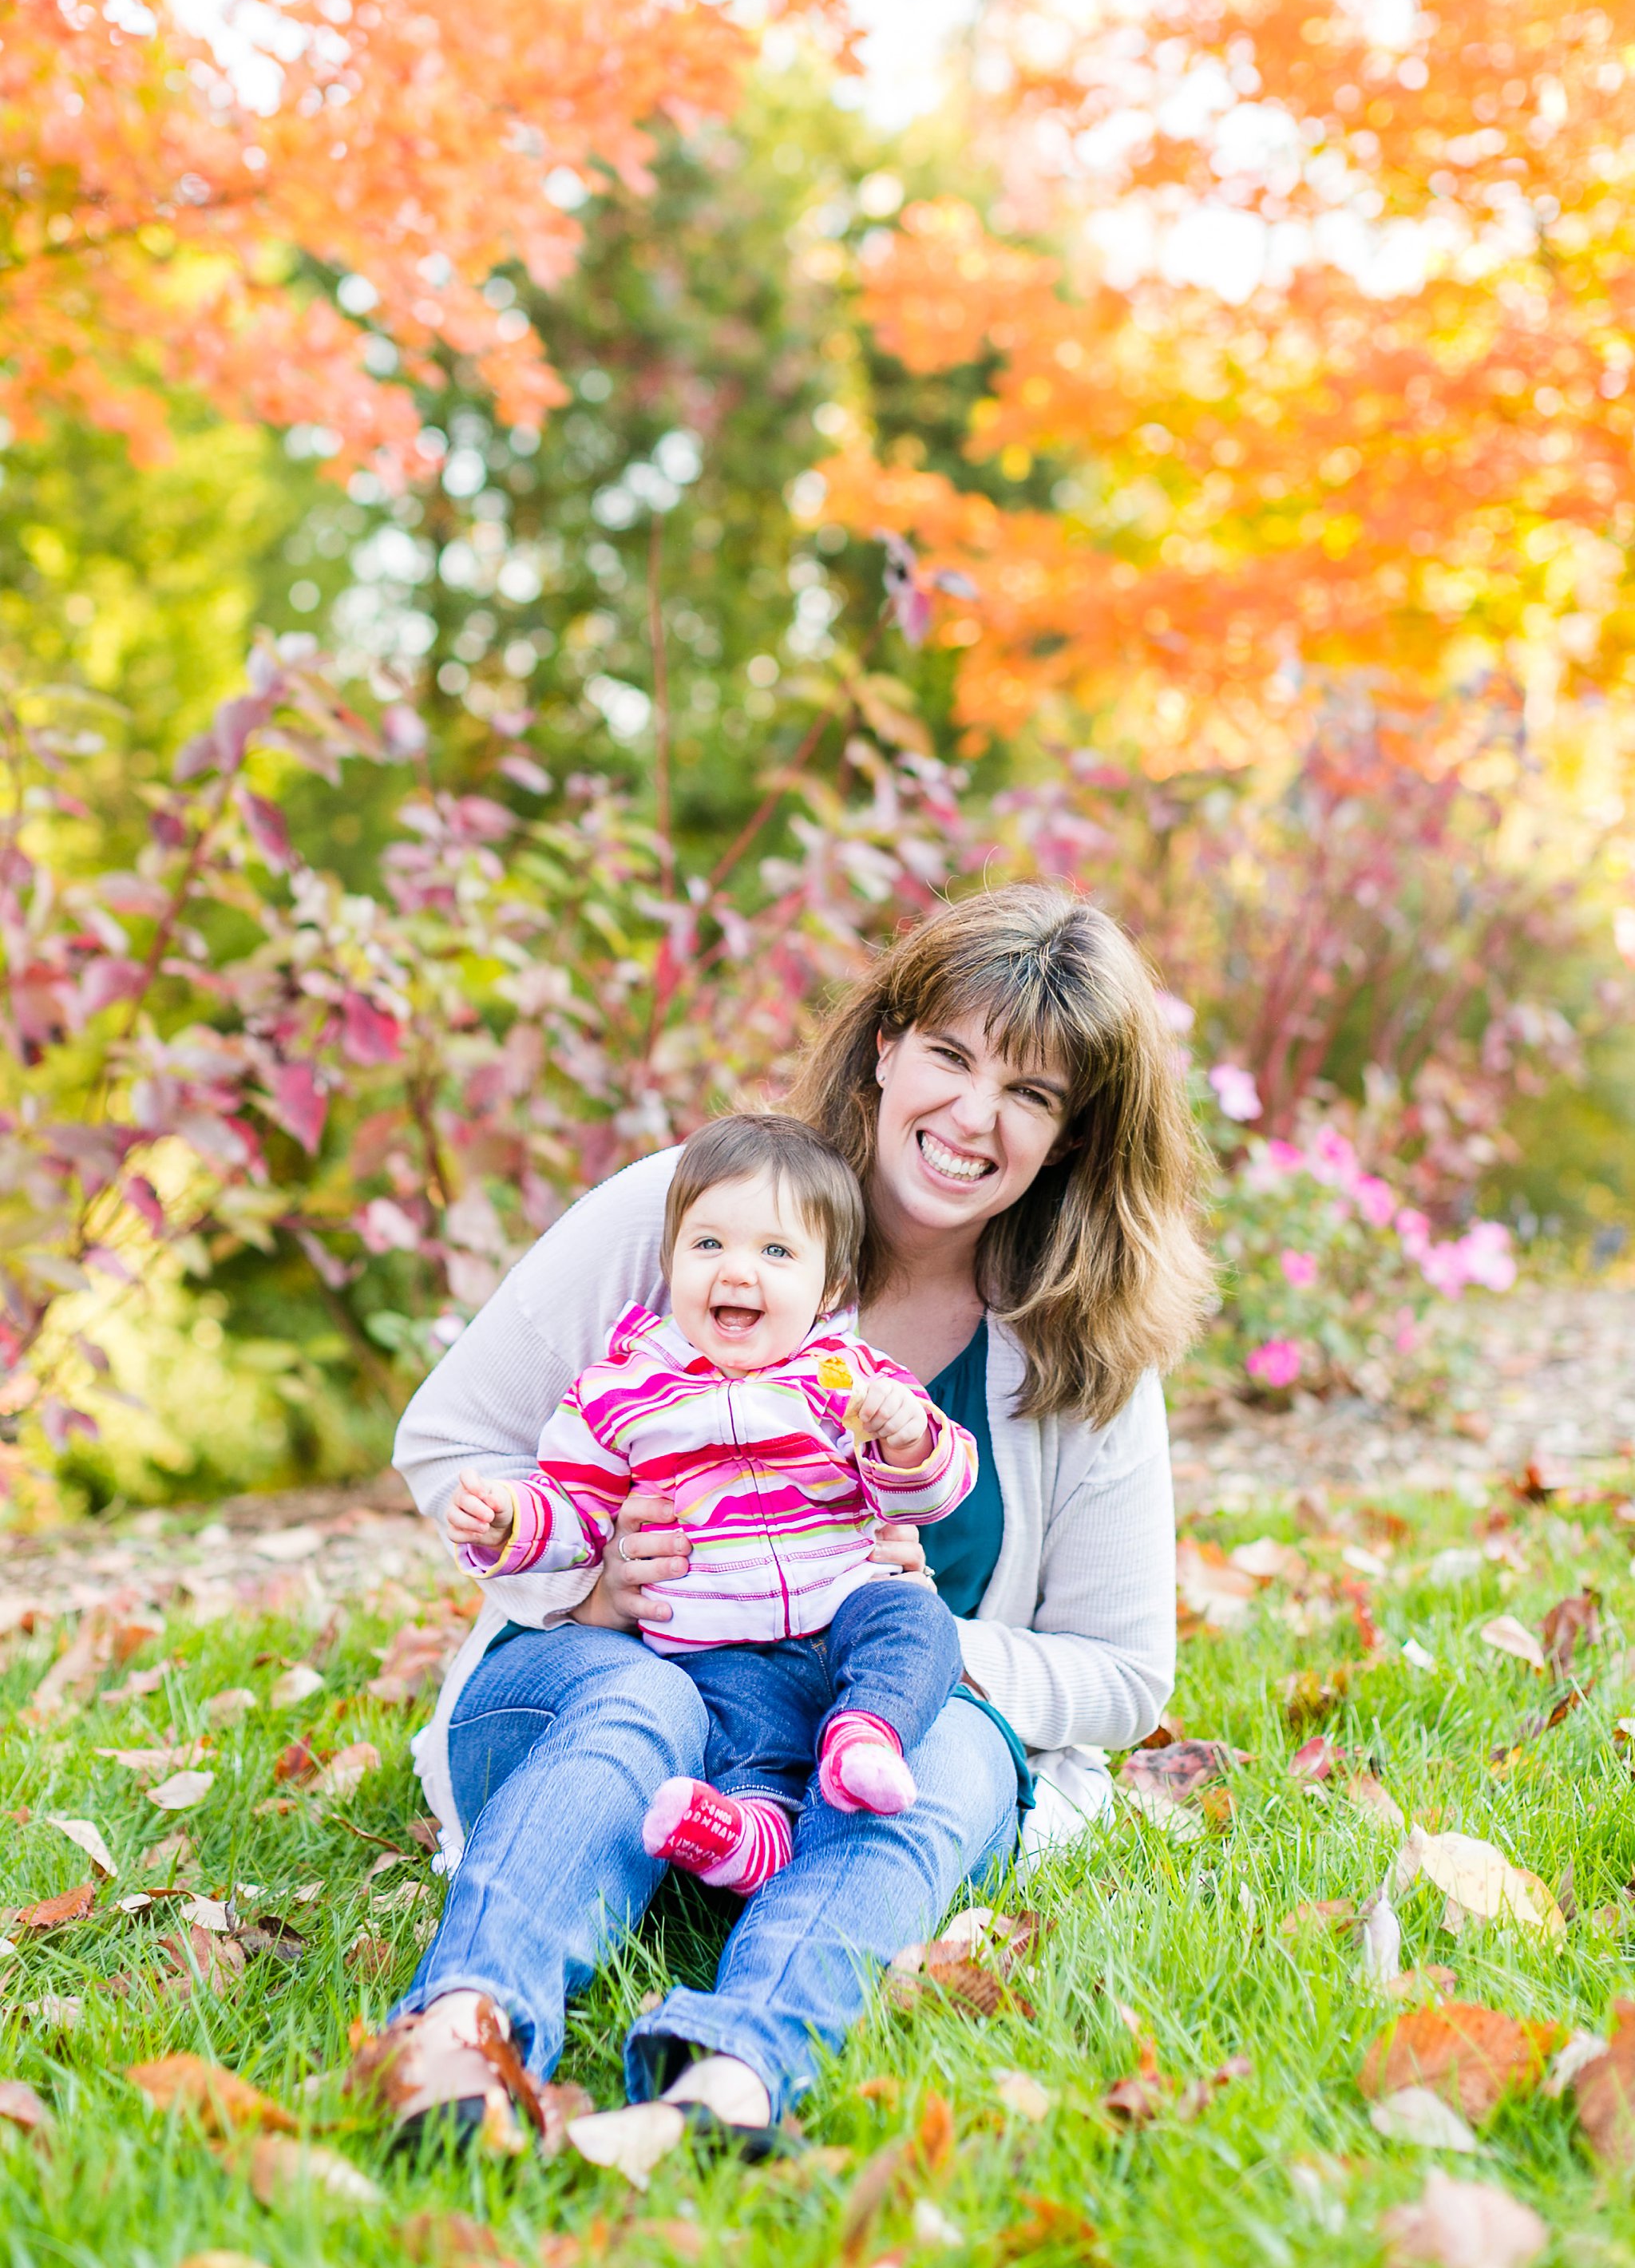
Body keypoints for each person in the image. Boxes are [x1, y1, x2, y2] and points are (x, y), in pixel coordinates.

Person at [382, 882, 1210, 2146]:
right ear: (885, 1047)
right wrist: (588, 1582)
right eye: (950, 1055)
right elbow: (449, 1439)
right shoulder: (695, 1212)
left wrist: (912, 1640)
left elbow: (1125, 1673)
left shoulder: (1084, 1343)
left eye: (1032, 1096)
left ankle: (732, 2081)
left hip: (848, 1778)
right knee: (641, 1696)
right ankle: (460, 2037)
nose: (973, 1117)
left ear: (1074, 1140)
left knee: (956, 1748)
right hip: (607, 1702)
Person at [441, 1113, 977, 1893]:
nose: (736, 1272)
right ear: (669, 1262)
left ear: (828, 1285)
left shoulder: (847, 1377)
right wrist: (507, 1524)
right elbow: (576, 1508)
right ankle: (747, 1839)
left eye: (774, 1252)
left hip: (845, 1613)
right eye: (707, 1245)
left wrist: (905, 1439)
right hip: (717, 1647)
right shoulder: (623, 1390)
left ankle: (868, 1733)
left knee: (919, 1623)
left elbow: (931, 1491)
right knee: (747, 1741)